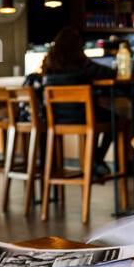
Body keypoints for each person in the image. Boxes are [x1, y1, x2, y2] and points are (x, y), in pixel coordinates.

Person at [25, 27, 121, 174]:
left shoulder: (49, 66)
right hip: (84, 116)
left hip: (54, 119)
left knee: (101, 116)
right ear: (78, 46)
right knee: (116, 120)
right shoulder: (82, 64)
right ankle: (96, 158)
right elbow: (109, 73)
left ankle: (54, 168)